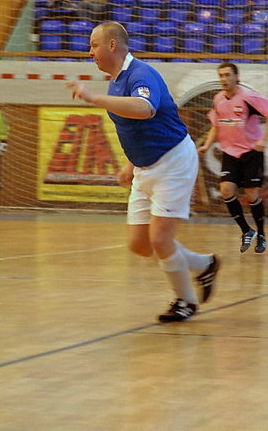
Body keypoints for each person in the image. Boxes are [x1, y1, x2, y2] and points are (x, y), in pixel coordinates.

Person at [66, 21, 220, 323]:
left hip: (174, 161)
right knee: (139, 244)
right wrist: (132, 162)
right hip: (146, 167)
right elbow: (134, 128)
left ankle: (185, 301)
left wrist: (94, 98)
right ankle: (205, 264)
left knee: (161, 240)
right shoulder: (116, 79)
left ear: (112, 45)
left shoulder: (141, 73)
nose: (90, 51)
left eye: (94, 45)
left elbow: (144, 109)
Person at [198, 62, 268, 254]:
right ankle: (246, 230)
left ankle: (262, 235)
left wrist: (263, 140)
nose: (224, 79)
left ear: (236, 77)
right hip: (230, 153)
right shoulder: (218, 99)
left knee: (252, 196)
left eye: (227, 75)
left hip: (251, 152)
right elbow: (216, 125)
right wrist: (207, 145)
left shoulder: (248, 97)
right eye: (221, 76)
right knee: (226, 190)